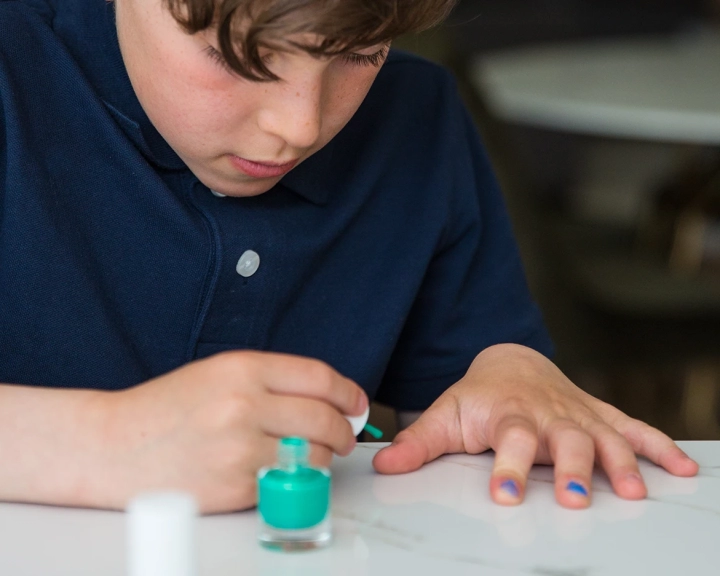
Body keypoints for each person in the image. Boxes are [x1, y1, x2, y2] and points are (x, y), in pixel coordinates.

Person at [0, 0, 698, 514]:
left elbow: (479, 369)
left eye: (360, 55)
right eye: (238, 55)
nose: (298, 126)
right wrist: (106, 441)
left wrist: (514, 377)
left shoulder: (417, 120)